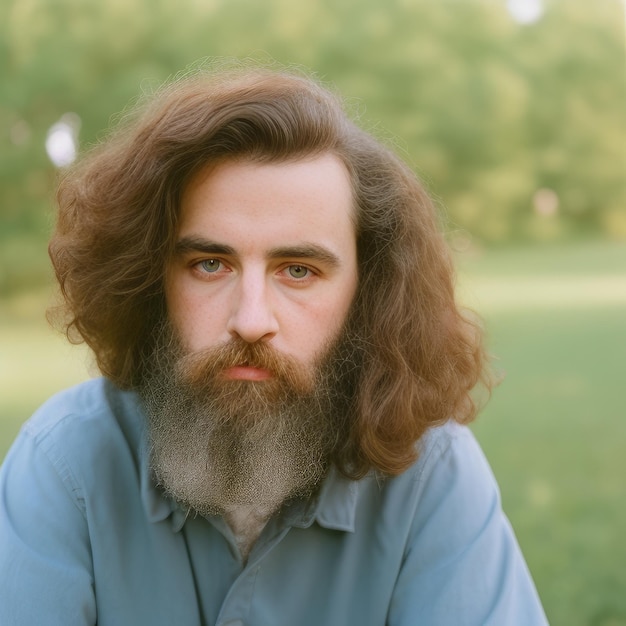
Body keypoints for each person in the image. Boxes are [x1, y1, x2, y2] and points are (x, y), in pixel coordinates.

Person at [0, 65, 548, 625]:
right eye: (209, 264)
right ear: (150, 278)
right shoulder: (64, 465)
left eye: (299, 270)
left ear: (369, 292)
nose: (251, 320)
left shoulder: (433, 475)